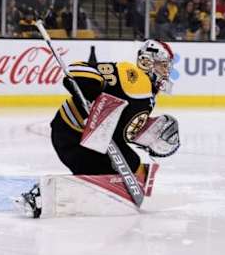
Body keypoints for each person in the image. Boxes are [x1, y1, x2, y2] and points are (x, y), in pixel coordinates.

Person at [49, 39, 178, 178]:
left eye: (167, 67)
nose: (166, 72)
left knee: (135, 166)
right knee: (130, 165)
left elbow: (121, 128)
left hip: (89, 141)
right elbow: (76, 70)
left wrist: (147, 135)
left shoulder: (149, 95)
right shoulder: (131, 75)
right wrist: (91, 89)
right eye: (162, 66)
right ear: (146, 61)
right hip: (72, 134)